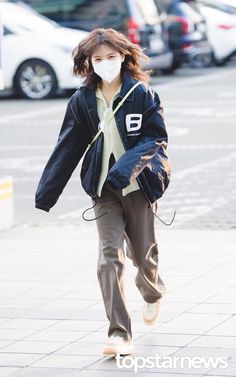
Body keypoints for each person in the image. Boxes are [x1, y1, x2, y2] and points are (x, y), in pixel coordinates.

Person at [35, 28, 172, 357]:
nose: (106, 63)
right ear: (89, 63)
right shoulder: (81, 100)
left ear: (124, 56)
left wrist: (126, 168)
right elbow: (68, 145)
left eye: (111, 56)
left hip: (139, 186)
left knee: (143, 256)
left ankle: (152, 291)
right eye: (98, 59)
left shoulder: (142, 95)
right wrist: (46, 192)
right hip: (103, 190)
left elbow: (155, 138)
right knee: (109, 258)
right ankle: (119, 332)